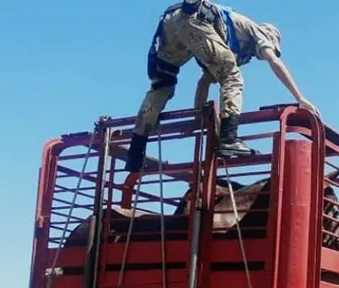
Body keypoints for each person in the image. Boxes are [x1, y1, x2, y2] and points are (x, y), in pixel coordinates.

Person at [125, 0, 321, 172]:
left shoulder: (231, 43)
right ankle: (229, 139)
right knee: (233, 76)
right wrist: (300, 98)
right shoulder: (258, 32)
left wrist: (197, 117)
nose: (263, 55)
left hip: (171, 22)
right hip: (197, 17)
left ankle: (135, 150)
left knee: (162, 84)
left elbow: (203, 82)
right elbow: (275, 63)